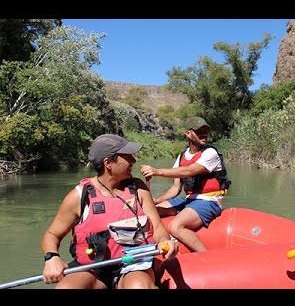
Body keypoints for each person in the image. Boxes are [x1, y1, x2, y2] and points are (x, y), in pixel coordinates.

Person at [41, 134, 178, 289]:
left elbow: (157, 227)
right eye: (127, 157)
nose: (134, 161)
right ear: (108, 163)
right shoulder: (79, 196)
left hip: (134, 266)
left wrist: (164, 241)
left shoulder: (139, 189)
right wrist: (51, 257)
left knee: (138, 286)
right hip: (92, 270)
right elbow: (52, 235)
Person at [140, 117, 231, 252]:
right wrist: (157, 201)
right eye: (199, 131)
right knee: (153, 211)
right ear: (188, 133)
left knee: (175, 226)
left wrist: (157, 171)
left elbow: (189, 171)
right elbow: (176, 187)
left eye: (205, 131)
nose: (204, 134)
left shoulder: (210, 153)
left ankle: (206, 256)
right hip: (189, 200)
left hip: (209, 201)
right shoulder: (182, 156)